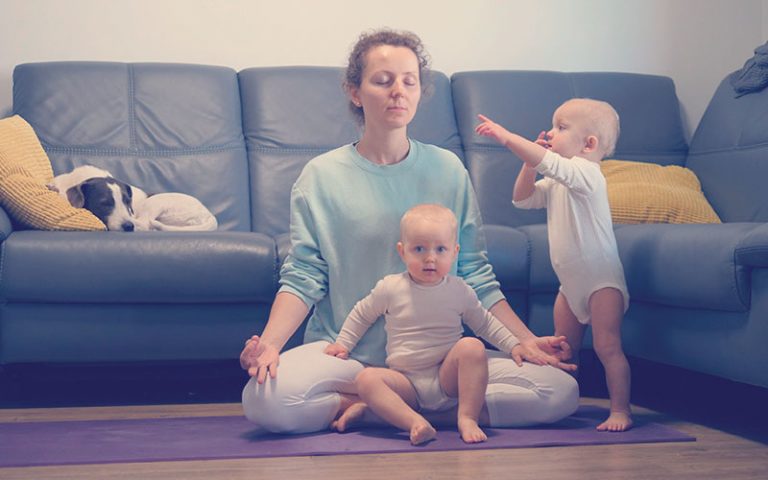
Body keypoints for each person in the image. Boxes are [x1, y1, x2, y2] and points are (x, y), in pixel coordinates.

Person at [240, 28, 579, 435]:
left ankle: (384, 407)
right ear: (355, 91)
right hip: (346, 357)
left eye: (409, 81)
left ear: (420, 92)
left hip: (439, 365)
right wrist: (271, 346)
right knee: (263, 401)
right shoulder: (320, 177)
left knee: (561, 391)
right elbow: (304, 277)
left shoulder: (448, 169)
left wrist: (524, 341)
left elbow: (475, 273)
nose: (398, 91)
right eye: (383, 81)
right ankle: (384, 398)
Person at [475, 98, 633, 431]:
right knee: (564, 348)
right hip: (570, 286)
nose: (550, 132)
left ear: (589, 145)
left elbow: (549, 161)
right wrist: (528, 165)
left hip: (602, 282)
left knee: (608, 347)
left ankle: (621, 410)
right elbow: (522, 198)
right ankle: (567, 400)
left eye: (561, 127)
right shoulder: (561, 181)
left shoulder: (587, 174)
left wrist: (507, 137)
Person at [324, 204, 523, 445]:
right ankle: (415, 422)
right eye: (419, 249)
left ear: (454, 252)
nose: (430, 258)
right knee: (366, 379)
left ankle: (468, 417)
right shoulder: (391, 288)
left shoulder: (459, 290)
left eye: (441, 249)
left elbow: (486, 324)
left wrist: (514, 345)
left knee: (472, 346)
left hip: (446, 378)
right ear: (402, 251)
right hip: (406, 383)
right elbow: (362, 313)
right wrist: (343, 343)